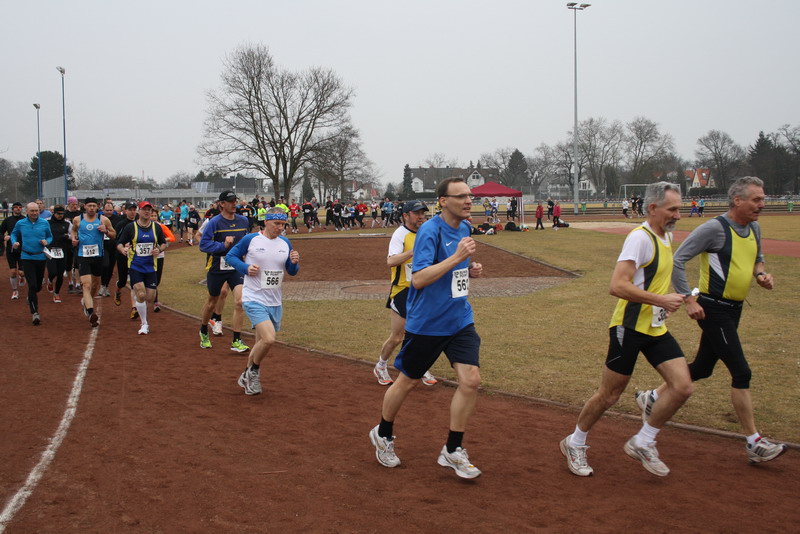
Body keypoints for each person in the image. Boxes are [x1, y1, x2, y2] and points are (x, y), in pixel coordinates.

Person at [635, 177, 787, 464]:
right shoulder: (714, 229)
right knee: (741, 372)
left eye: (763, 199)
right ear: (737, 200)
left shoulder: (754, 228)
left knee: (703, 367)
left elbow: (758, 259)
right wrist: (689, 299)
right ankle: (754, 442)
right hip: (712, 309)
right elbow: (679, 259)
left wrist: (760, 275)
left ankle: (652, 396)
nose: (762, 205)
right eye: (756, 199)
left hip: (734, 309)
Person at [559, 182, 691, 478]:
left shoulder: (666, 236)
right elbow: (617, 286)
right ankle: (575, 442)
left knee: (682, 386)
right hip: (628, 328)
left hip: (655, 328)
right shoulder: (640, 238)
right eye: (672, 209)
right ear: (653, 208)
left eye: (679, 209)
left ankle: (644, 441)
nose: (678, 215)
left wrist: (668, 302)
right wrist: (660, 300)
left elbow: (652, 280)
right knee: (610, 394)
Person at [369, 177, 484, 479]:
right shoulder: (430, 231)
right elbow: (418, 279)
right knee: (407, 382)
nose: (468, 201)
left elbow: (455, 269)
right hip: (428, 324)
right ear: (443, 201)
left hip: (459, 319)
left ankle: (453, 449)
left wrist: (469, 268)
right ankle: (383, 433)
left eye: (470, 195)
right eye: (461, 196)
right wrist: (458, 257)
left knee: (471, 380)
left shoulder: (464, 228)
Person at [226, 208, 300, 395]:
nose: (280, 228)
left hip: (274, 300)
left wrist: (294, 262)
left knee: (260, 343)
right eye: (276, 223)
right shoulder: (251, 239)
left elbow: (291, 271)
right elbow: (230, 256)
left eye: (283, 224)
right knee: (268, 339)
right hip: (253, 297)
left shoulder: (285, 242)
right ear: (266, 222)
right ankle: (254, 372)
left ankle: (246, 374)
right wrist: (245, 268)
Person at [374, 200, 438, 388]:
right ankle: (381, 365)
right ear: (405, 215)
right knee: (397, 337)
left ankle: (419, 367)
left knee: (422, 333)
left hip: (422, 289)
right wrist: (412, 252)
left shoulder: (427, 232)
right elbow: (391, 261)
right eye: (417, 213)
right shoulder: (400, 234)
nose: (421, 216)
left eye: (423, 213)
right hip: (402, 290)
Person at [198, 191, 251, 352]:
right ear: (222, 204)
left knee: (240, 301)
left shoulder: (243, 221)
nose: (234, 204)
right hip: (218, 265)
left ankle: (236, 340)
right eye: (230, 201)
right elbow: (203, 244)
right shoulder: (214, 222)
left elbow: (247, 241)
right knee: (212, 302)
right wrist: (223, 245)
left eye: (235, 201)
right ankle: (203, 330)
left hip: (236, 265)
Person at [116, 201, 168, 334]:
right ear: (139, 211)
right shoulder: (131, 227)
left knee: (150, 297)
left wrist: (158, 249)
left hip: (151, 267)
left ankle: (140, 305)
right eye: (144, 209)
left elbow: (163, 243)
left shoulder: (156, 228)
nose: (147, 212)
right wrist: (123, 250)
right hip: (135, 266)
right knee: (140, 293)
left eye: (149, 210)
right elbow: (119, 243)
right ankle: (144, 323)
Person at [71, 197, 116, 327]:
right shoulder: (78, 219)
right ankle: (90, 312)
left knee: (95, 285)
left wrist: (105, 231)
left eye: (94, 206)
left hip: (98, 256)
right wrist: (73, 239)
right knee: (86, 284)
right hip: (83, 255)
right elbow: (73, 230)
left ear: (97, 207)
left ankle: (86, 301)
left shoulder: (103, 220)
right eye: (89, 205)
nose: (91, 208)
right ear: (84, 206)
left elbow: (114, 234)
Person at [10, 202, 52, 325]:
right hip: (27, 257)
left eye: (36, 210)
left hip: (41, 257)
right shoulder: (21, 223)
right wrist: (14, 242)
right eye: (32, 211)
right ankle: (35, 313)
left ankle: (31, 295)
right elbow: (13, 234)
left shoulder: (44, 223)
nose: (34, 213)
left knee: (38, 286)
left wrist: (47, 242)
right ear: (27, 211)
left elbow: (50, 236)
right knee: (32, 285)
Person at [113, 202, 139, 311]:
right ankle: (118, 291)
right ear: (125, 211)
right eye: (130, 210)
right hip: (123, 255)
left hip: (136, 256)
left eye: (134, 210)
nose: (132, 212)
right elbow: (115, 240)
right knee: (123, 281)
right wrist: (123, 246)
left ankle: (134, 307)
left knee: (134, 281)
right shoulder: (121, 224)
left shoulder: (139, 223)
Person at [46, 205, 71, 303]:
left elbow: (73, 234)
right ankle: (50, 280)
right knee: (53, 272)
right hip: (50, 250)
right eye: (58, 214)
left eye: (62, 214)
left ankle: (56, 293)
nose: (60, 215)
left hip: (62, 251)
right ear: (54, 213)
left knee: (60, 274)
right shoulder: (47, 222)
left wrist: (68, 236)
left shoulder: (67, 223)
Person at [1, 202, 26, 299]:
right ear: (12, 209)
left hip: (23, 249)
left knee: (21, 272)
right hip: (11, 249)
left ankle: (22, 276)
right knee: (12, 272)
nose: (18, 209)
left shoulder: (25, 220)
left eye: (20, 207)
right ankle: (15, 291)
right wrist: (4, 237)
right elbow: (0, 232)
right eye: (16, 207)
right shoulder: (8, 220)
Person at [99, 200, 123, 298]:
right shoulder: (99, 218)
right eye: (107, 210)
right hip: (103, 245)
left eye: (110, 210)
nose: (109, 212)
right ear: (103, 210)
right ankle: (102, 284)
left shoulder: (118, 219)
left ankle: (106, 286)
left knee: (110, 267)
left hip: (113, 246)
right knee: (105, 265)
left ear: (113, 210)